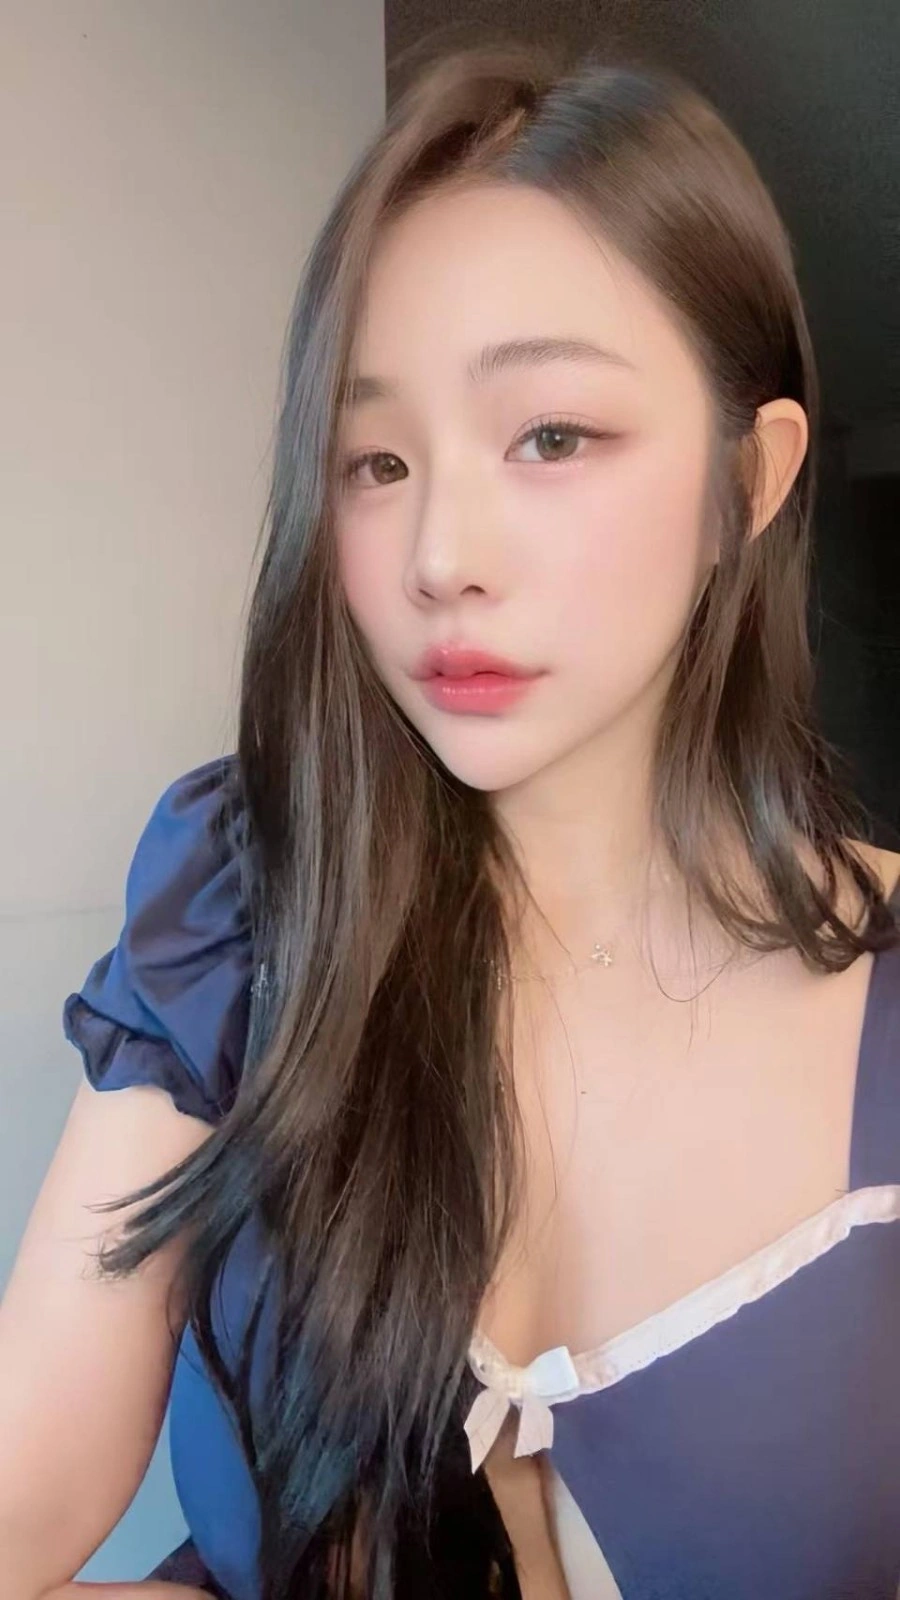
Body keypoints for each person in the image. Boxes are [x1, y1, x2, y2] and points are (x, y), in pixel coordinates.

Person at [2, 36, 899, 1600]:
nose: (438, 555)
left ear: (749, 484)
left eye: (550, 436)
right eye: (376, 460)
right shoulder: (240, 914)